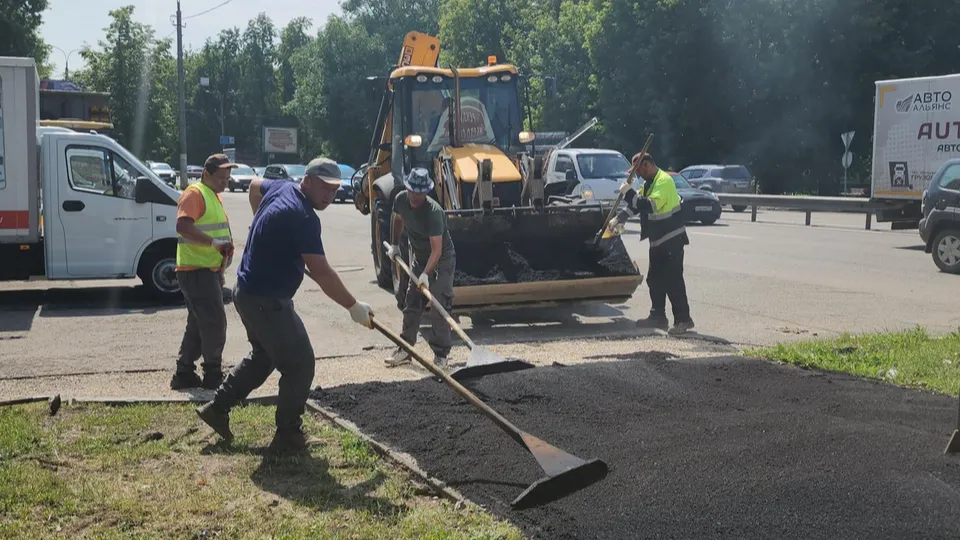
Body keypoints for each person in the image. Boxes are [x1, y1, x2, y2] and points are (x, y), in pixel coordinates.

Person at [195, 157, 374, 455]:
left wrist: (262, 226)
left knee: (264, 356)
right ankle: (288, 434)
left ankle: (217, 408)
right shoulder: (302, 217)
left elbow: (255, 186)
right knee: (300, 364)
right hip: (267, 301)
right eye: (325, 188)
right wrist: (353, 306)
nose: (330, 196)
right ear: (308, 180)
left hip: (247, 293)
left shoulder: (281, 188)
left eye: (334, 190)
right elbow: (321, 271)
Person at [607, 152, 694, 336]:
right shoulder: (649, 184)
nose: (637, 175)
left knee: (673, 280)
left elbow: (650, 205)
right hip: (658, 240)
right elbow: (636, 205)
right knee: (655, 279)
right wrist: (619, 218)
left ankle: (683, 320)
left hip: (671, 239)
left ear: (646, 165)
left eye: (638, 171)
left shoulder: (664, 181)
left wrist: (628, 193)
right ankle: (657, 316)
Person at [170, 153, 236, 390]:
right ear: (206, 174)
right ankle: (213, 374)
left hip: (206, 270)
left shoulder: (212, 194)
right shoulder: (195, 193)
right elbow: (182, 226)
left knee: (199, 324)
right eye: (221, 178)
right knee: (214, 322)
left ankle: (184, 372)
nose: (225, 183)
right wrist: (214, 244)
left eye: (227, 178)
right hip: (196, 271)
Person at [385, 167, 456, 368]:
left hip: (441, 261)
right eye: (412, 191)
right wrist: (395, 245)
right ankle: (405, 349)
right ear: (407, 188)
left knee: (439, 305)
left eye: (420, 193)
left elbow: (437, 250)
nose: (415, 197)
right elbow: (397, 220)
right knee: (411, 302)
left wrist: (425, 274)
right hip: (420, 257)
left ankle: (441, 355)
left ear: (426, 192)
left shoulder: (434, 212)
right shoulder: (400, 199)